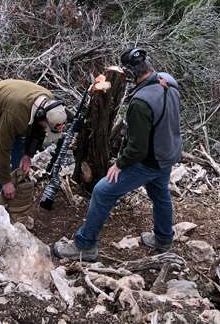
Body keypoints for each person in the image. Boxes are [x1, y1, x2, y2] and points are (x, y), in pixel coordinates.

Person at [53, 49, 182, 261]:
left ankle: (85, 246)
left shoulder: (140, 103)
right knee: (160, 194)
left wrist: (119, 164)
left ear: (130, 74)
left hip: (149, 160)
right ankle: (163, 239)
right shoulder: (168, 81)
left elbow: (137, 149)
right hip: (168, 152)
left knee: (103, 191)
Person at [0, 78, 67, 200]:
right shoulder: (16, 115)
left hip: (11, 106)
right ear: (41, 116)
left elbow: (38, 131)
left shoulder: (49, 104)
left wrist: (28, 155)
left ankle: (17, 187)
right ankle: (5, 195)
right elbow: (1, 148)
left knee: (20, 151)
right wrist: (5, 181)